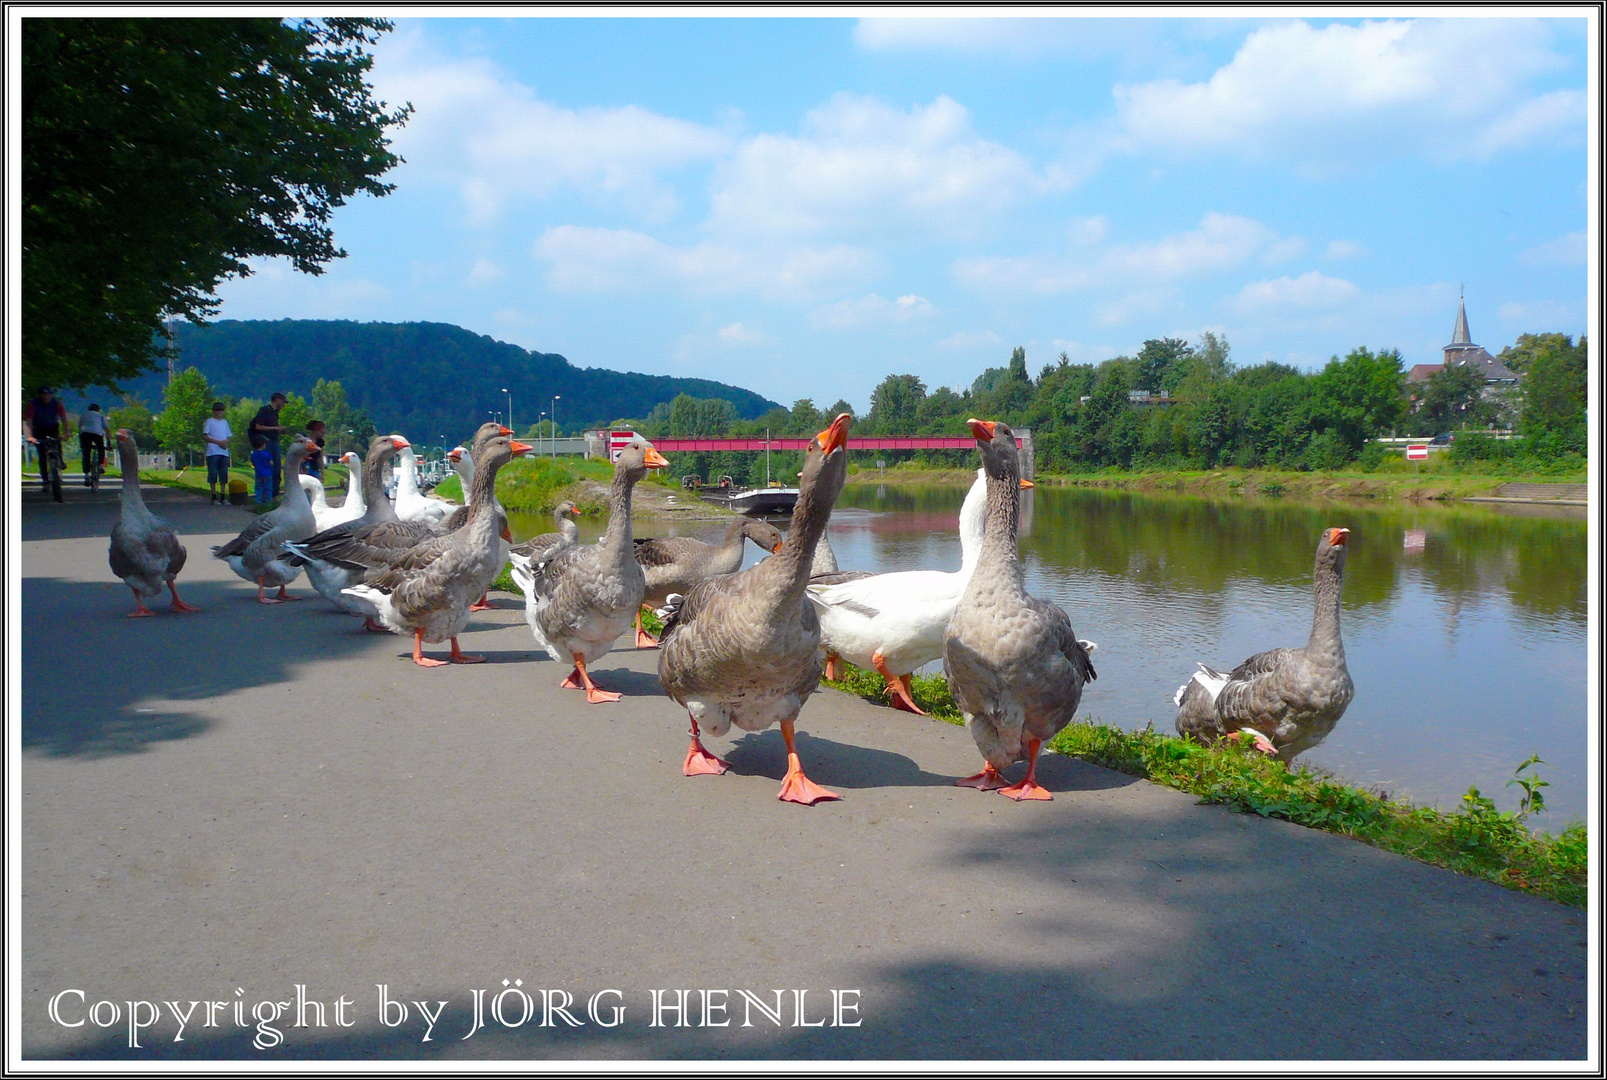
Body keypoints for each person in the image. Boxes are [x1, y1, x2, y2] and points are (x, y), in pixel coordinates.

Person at [22, 386, 69, 484]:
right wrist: (30, 436)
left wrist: (66, 432)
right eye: (44, 395)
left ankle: (59, 461)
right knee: (42, 453)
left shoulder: (56, 403)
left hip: (52, 427)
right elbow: (28, 421)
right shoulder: (33, 404)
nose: (46, 397)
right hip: (39, 428)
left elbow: (63, 418)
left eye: (48, 395)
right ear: (40, 395)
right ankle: (45, 479)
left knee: (57, 443)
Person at [248, 392, 287, 499]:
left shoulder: (275, 413)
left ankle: (274, 494)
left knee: (277, 469)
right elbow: (258, 426)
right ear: (277, 400)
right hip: (266, 443)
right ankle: (264, 496)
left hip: (274, 441)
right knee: (268, 468)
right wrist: (275, 428)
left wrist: (280, 431)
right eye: (283, 402)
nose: (284, 405)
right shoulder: (264, 410)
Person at [203, 401, 232, 504]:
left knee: (224, 473)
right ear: (214, 411)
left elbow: (228, 436)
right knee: (213, 473)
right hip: (213, 451)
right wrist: (218, 442)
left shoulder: (225, 422)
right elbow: (205, 436)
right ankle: (213, 496)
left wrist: (225, 442)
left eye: (221, 410)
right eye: (218, 410)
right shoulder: (210, 422)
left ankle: (223, 496)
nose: (220, 412)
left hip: (223, 452)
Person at [78, 403, 108, 482]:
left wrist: (81, 442)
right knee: (101, 447)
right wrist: (109, 442)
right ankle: (101, 464)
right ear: (98, 410)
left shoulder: (83, 415)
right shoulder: (100, 416)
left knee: (86, 453)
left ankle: (86, 474)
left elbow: (80, 427)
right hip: (97, 433)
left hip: (85, 433)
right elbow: (106, 429)